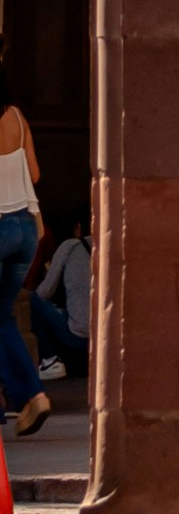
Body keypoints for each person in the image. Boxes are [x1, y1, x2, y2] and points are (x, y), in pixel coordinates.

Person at [0, 86, 45, 436]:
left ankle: (28, 393)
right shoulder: (16, 116)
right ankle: (31, 395)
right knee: (2, 317)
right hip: (25, 231)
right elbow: (34, 173)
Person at [31, 211, 88, 394]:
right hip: (109, 340)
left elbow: (44, 292)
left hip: (79, 337)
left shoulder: (71, 246)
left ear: (78, 226)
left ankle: (50, 359)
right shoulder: (119, 245)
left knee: (32, 301)